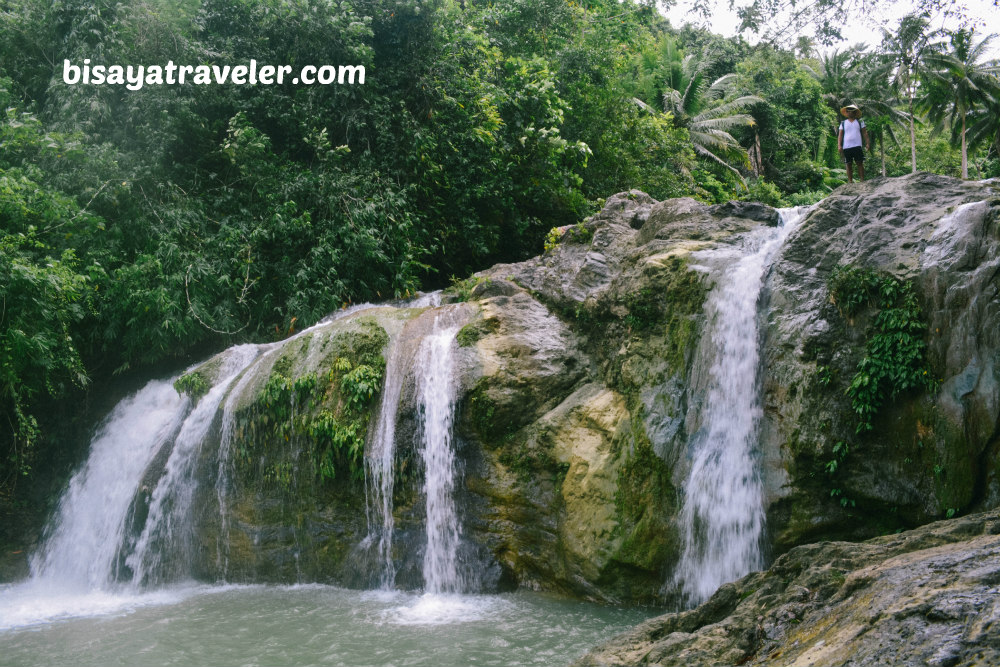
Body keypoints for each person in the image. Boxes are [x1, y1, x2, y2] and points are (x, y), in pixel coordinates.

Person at [838, 104, 870, 183]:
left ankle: (862, 180)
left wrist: (867, 143)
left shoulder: (860, 122)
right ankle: (850, 181)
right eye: (848, 111)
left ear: (855, 113)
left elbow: (865, 133)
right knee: (848, 164)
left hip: (857, 145)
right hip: (846, 147)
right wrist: (839, 145)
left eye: (851, 111)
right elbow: (840, 135)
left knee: (859, 163)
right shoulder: (843, 123)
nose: (849, 113)